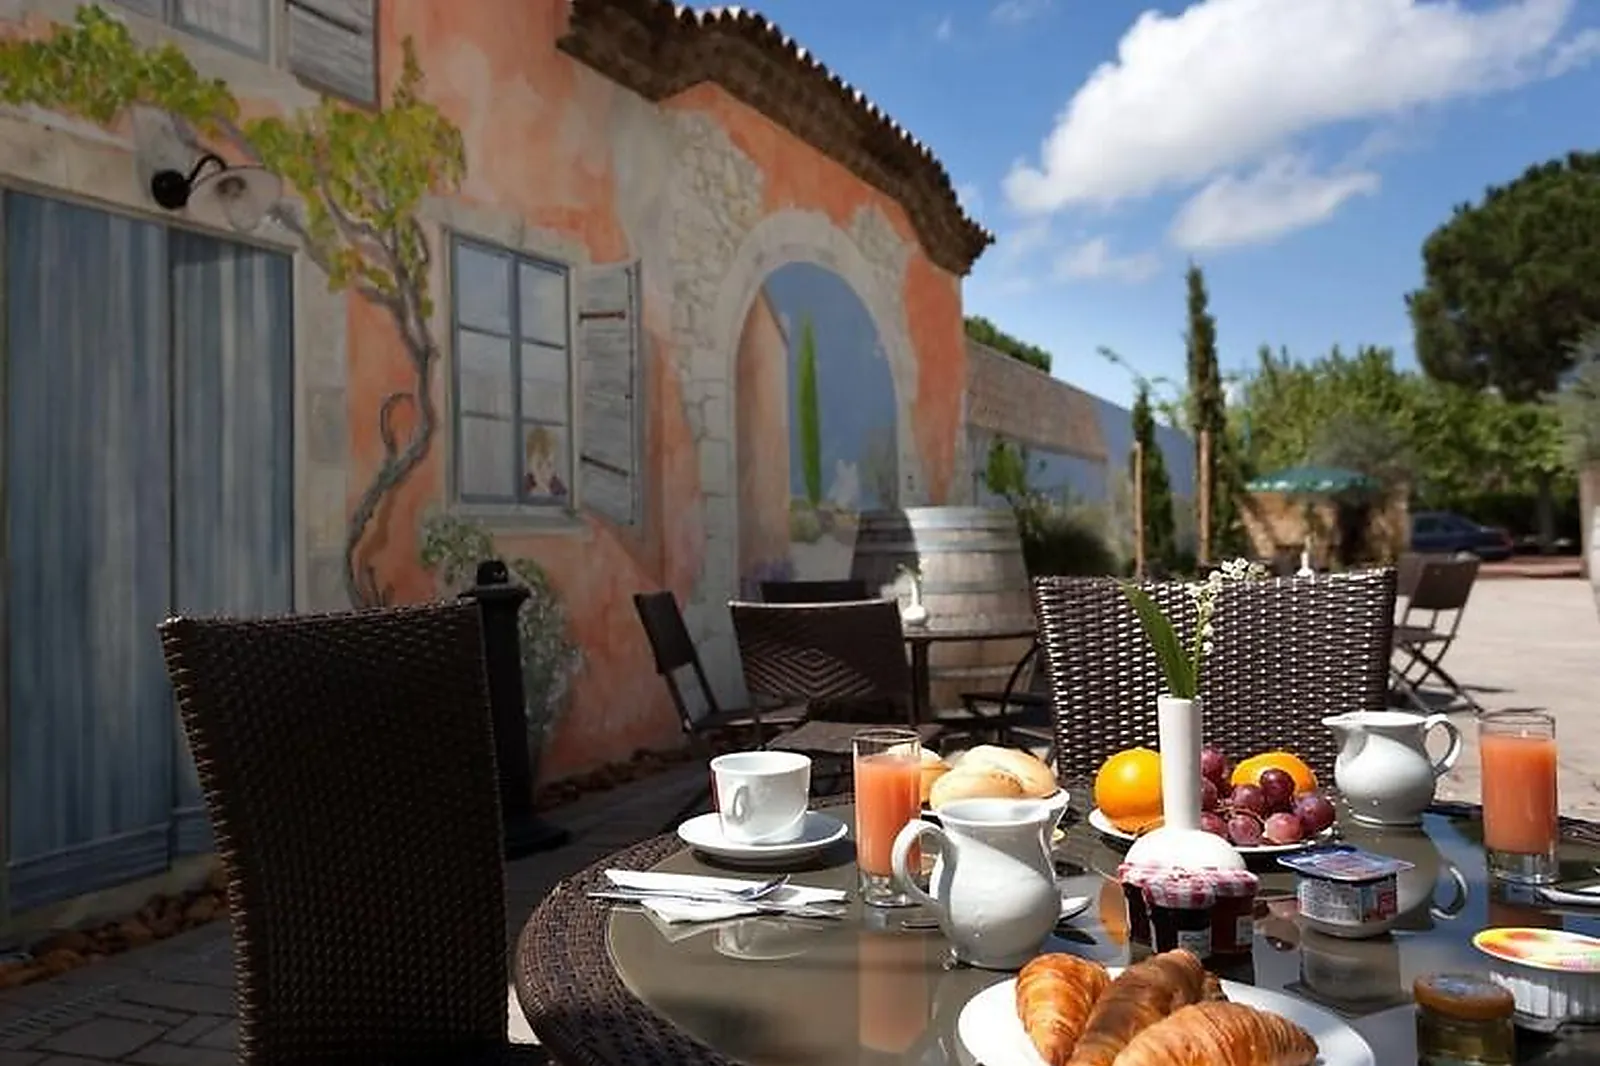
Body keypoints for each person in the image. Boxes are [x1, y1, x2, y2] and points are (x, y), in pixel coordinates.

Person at [524, 425, 567, 500]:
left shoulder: (560, 490)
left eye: (549, 465)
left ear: (555, 467)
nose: (544, 472)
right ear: (530, 465)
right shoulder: (522, 487)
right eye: (539, 465)